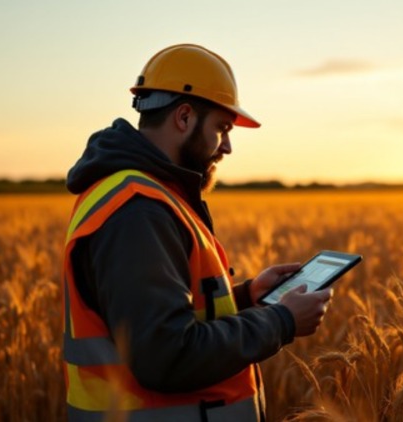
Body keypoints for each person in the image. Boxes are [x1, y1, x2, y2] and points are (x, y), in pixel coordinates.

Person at [62, 43, 333, 422]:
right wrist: (281, 321)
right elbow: (167, 356)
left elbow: (156, 320)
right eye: (221, 128)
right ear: (184, 117)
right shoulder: (138, 211)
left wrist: (245, 298)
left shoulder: (152, 196)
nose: (228, 146)